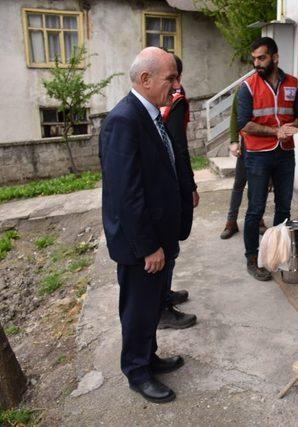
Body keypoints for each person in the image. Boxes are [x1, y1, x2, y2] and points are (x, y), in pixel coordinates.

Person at [99, 47, 185, 404]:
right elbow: (126, 194)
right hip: (140, 244)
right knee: (137, 308)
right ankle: (136, 371)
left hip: (156, 237)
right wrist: (148, 246)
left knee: (150, 305)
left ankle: (148, 357)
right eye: (171, 79)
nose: (177, 86)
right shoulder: (124, 120)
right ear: (145, 79)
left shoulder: (148, 114)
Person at [236, 37, 298, 281]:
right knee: (256, 209)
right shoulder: (248, 87)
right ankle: (252, 258)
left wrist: (291, 127)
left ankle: (278, 254)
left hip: (285, 153)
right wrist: (274, 131)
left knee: (284, 207)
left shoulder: (293, 84)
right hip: (258, 156)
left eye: (262, 58)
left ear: (275, 57)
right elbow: (243, 122)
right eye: (254, 58)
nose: (256, 63)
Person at [157, 54, 198, 329]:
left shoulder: (157, 102)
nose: (173, 83)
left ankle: (164, 294)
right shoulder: (176, 100)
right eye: (170, 78)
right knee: (170, 244)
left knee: (169, 243)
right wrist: (191, 186)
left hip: (164, 180)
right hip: (171, 183)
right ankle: (162, 307)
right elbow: (179, 148)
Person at [220, 88, 267, 240]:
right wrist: (234, 141)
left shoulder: (268, 90)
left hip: (264, 146)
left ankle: (258, 220)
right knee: (239, 183)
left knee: (259, 185)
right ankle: (231, 221)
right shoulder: (243, 89)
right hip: (246, 145)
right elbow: (234, 116)